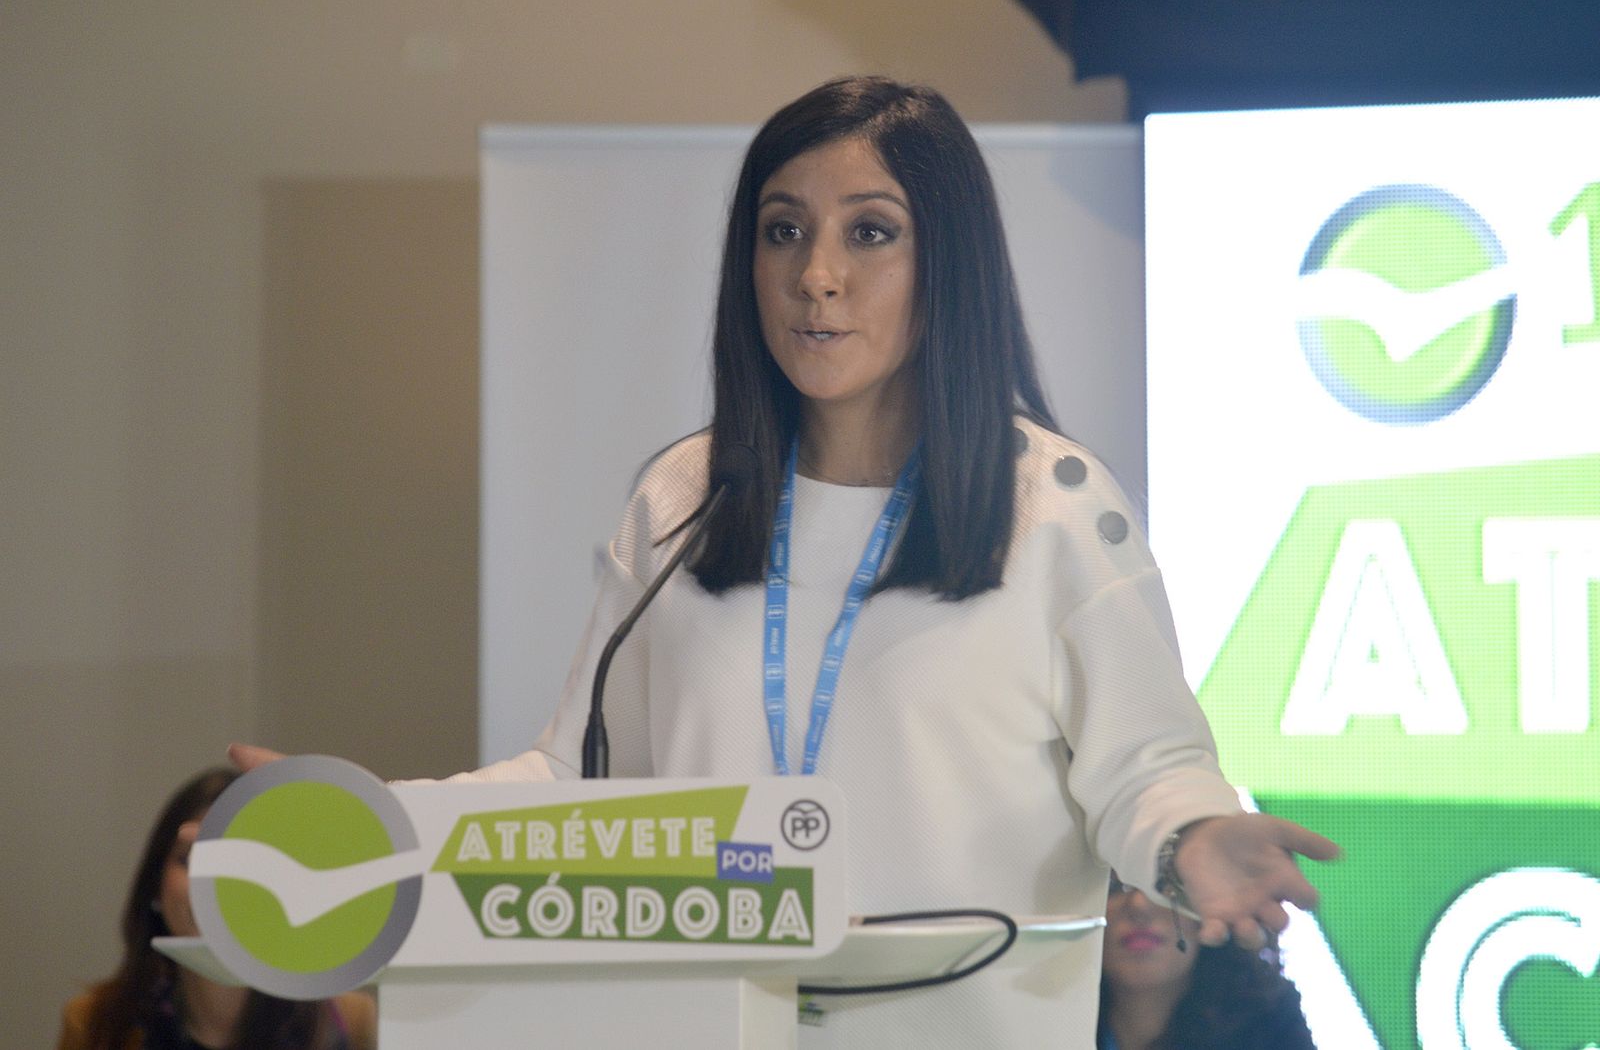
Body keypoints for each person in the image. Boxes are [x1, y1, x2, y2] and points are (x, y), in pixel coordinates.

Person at [234, 74, 1337, 1047]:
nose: (816, 275)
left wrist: (1194, 834)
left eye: (870, 232)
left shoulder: (1053, 505)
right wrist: (375, 823)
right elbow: (581, 780)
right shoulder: (683, 497)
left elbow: (1143, 765)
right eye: (782, 230)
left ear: (947, 261)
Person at [57, 767, 376, 1050]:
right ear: (155, 884)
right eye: (191, 859)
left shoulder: (349, 1022)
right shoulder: (94, 1025)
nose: (214, 886)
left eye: (240, 865)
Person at [1097, 873, 1315, 1050]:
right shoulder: (1074, 1020)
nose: (1139, 905)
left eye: (1165, 884)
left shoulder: (1271, 1021)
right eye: (1115, 886)